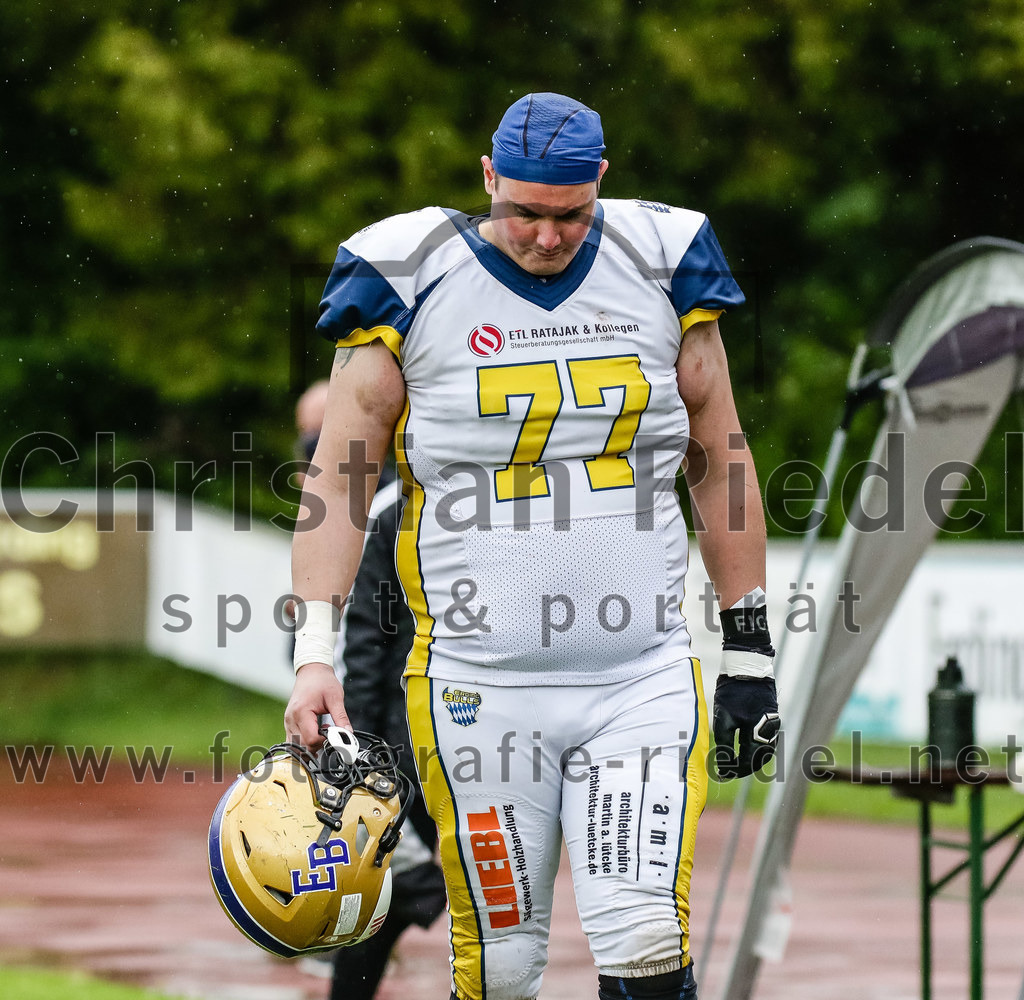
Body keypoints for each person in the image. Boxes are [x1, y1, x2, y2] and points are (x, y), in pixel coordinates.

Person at [285, 93, 780, 1000]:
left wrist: (748, 643)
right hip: (480, 684)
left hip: (640, 676)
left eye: (569, 215)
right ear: (486, 179)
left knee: (644, 939)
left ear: (601, 182)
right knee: (503, 965)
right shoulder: (408, 274)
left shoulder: (660, 260)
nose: (547, 237)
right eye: (522, 211)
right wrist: (315, 654)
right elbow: (340, 481)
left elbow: (720, 454)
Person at [290, 380, 447, 1000]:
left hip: (420, 739)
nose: (312, 450)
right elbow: (350, 648)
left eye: (320, 436)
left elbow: (368, 654)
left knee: (392, 888)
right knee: (373, 898)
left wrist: (369, 764)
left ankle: (423, 891)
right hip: (395, 740)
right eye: (308, 437)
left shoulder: (389, 509)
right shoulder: (350, 512)